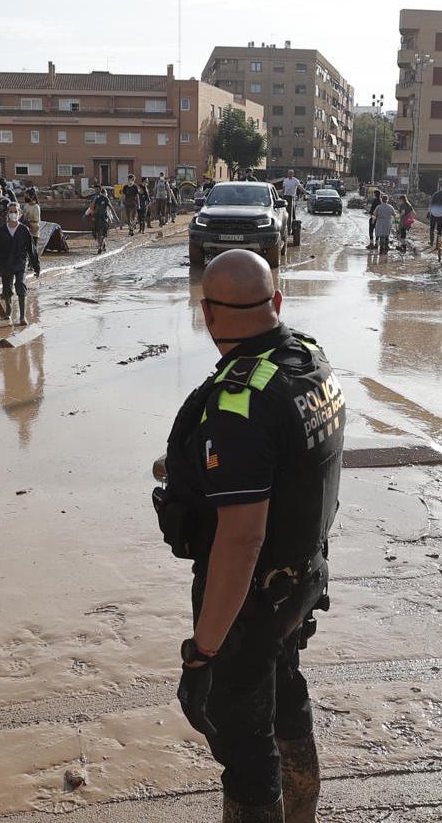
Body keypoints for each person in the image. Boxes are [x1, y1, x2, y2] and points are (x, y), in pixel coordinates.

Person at [159, 249, 344, 823]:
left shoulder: (239, 403)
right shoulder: (308, 358)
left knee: (243, 741)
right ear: (278, 303)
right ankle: (303, 812)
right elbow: (302, 465)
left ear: (208, 316)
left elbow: (240, 540)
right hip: (302, 576)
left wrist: (203, 653)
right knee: (284, 689)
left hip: (254, 596)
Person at [0, 206, 34, 325]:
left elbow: (31, 249)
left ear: (20, 214)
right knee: (7, 289)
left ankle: (22, 316)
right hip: (5, 262)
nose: (13, 214)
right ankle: (8, 310)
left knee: (20, 284)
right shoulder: (1, 230)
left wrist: (35, 265)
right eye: (11, 212)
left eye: (15, 212)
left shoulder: (24, 230)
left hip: (20, 261)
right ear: (7, 214)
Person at [20, 187, 44, 276]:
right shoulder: (26, 206)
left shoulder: (36, 207)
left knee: (33, 250)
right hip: (25, 229)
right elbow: (23, 215)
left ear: (32, 196)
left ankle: (35, 267)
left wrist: (28, 222)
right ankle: (26, 265)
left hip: (34, 230)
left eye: (27, 195)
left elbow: (36, 220)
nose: (25, 197)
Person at [87, 187, 114, 252]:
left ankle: (100, 246)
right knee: (96, 232)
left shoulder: (105, 198)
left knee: (103, 233)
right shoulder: (93, 198)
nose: (96, 191)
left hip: (104, 217)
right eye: (95, 189)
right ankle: (102, 244)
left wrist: (115, 217)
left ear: (100, 190)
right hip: (96, 217)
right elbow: (91, 207)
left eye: (98, 189)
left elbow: (111, 207)